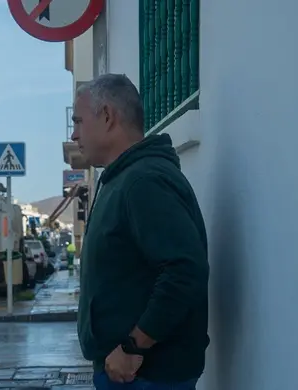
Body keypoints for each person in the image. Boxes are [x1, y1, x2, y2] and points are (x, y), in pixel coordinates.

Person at [71, 74, 209, 390]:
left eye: (79, 121)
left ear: (107, 116)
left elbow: (185, 270)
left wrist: (134, 347)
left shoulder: (143, 182)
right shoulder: (122, 179)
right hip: (129, 373)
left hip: (145, 375)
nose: (74, 134)